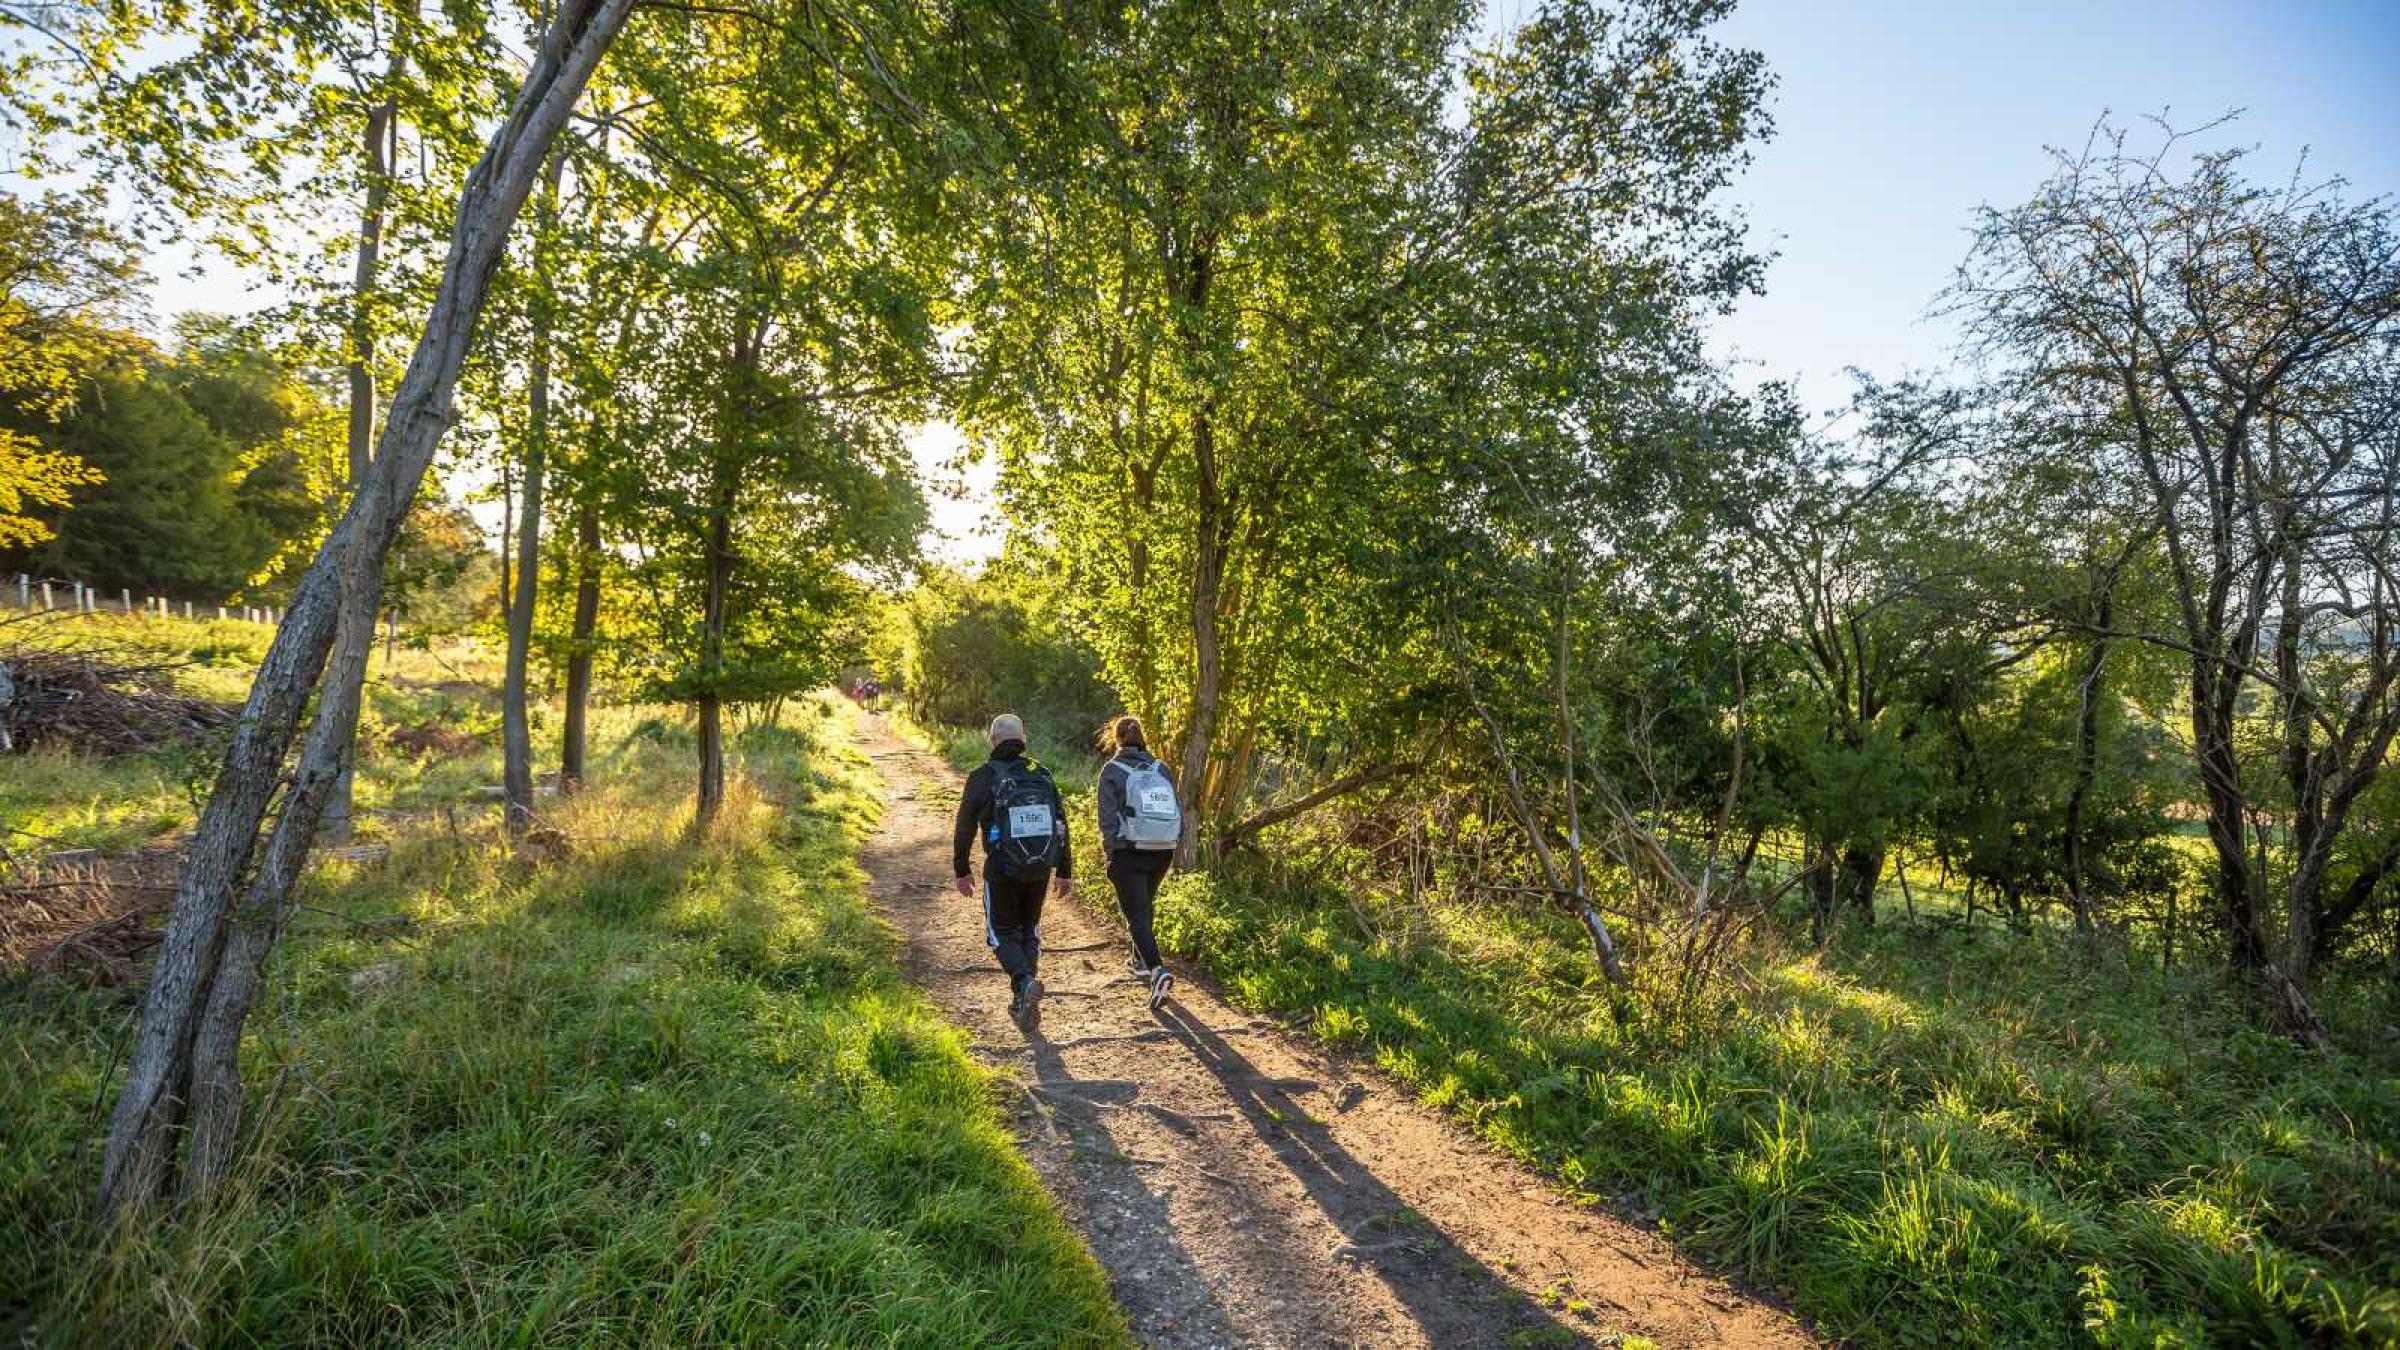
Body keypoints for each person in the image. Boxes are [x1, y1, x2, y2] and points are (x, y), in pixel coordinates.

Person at [953, 712, 1073, 1032]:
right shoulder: (1042, 773)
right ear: (1024, 740)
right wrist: (1064, 869)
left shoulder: (982, 776)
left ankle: (1023, 983)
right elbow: (1060, 823)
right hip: (1039, 869)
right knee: (1028, 931)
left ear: (992, 740)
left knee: (1001, 933)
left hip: (1002, 869)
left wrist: (961, 869)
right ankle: (1023, 999)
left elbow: (964, 826)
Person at [1095, 714, 1180, 1009]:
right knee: (1144, 905)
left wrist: (1111, 855)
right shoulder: (1161, 768)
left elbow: (1107, 820)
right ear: (1142, 737)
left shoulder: (1112, 770)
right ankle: (1140, 961)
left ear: (1116, 738)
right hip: (1163, 850)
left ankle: (1158, 970)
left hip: (1129, 851)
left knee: (1135, 915)